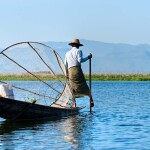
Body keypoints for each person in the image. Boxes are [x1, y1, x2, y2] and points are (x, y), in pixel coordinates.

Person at [64, 39, 94, 107]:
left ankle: (74, 103)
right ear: (78, 46)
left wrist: (66, 74)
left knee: (72, 87)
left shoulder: (67, 53)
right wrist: (88, 57)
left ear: (72, 45)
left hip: (70, 71)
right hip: (77, 70)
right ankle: (91, 99)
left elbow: (65, 64)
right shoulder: (79, 51)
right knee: (83, 84)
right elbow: (80, 60)